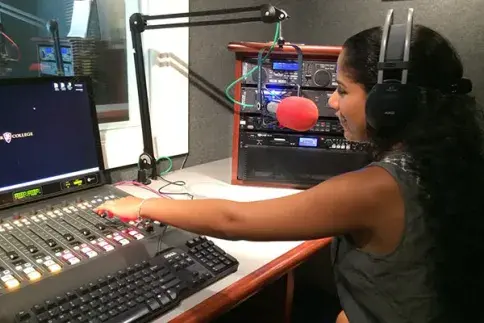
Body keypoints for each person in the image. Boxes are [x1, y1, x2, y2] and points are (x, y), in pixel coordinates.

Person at [95, 24, 484, 323]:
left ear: (390, 105)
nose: (331, 102)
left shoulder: (375, 189)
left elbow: (234, 219)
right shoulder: (454, 159)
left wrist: (145, 206)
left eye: (343, 90)